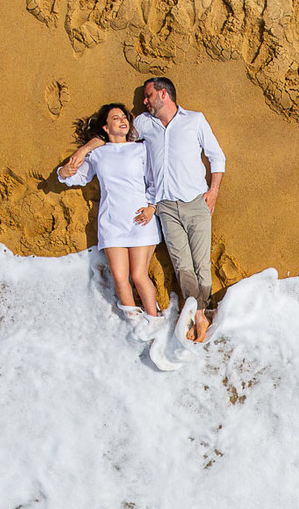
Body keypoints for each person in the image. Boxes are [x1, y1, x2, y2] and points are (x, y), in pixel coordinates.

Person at [68, 77, 226, 343]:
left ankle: (199, 313)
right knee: (182, 265)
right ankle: (197, 313)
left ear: (163, 95)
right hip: (164, 206)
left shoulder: (195, 120)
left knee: (201, 263)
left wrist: (214, 190)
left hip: (197, 201)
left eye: (148, 95)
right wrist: (87, 148)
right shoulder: (143, 123)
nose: (144, 101)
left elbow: (216, 155)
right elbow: (112, 139)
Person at [59, 104, 160, 319]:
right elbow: (77, 177)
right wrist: (64, 171)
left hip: (141, 219)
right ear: (106, 127)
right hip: (112, 221)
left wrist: (152, 207)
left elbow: (154, 180)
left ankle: (155, 322)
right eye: (116, 118)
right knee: (120, 277)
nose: (123, 121)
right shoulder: (98, 154)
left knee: (139, 275)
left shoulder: (141, 148)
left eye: (124, 117)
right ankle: (135, 324)